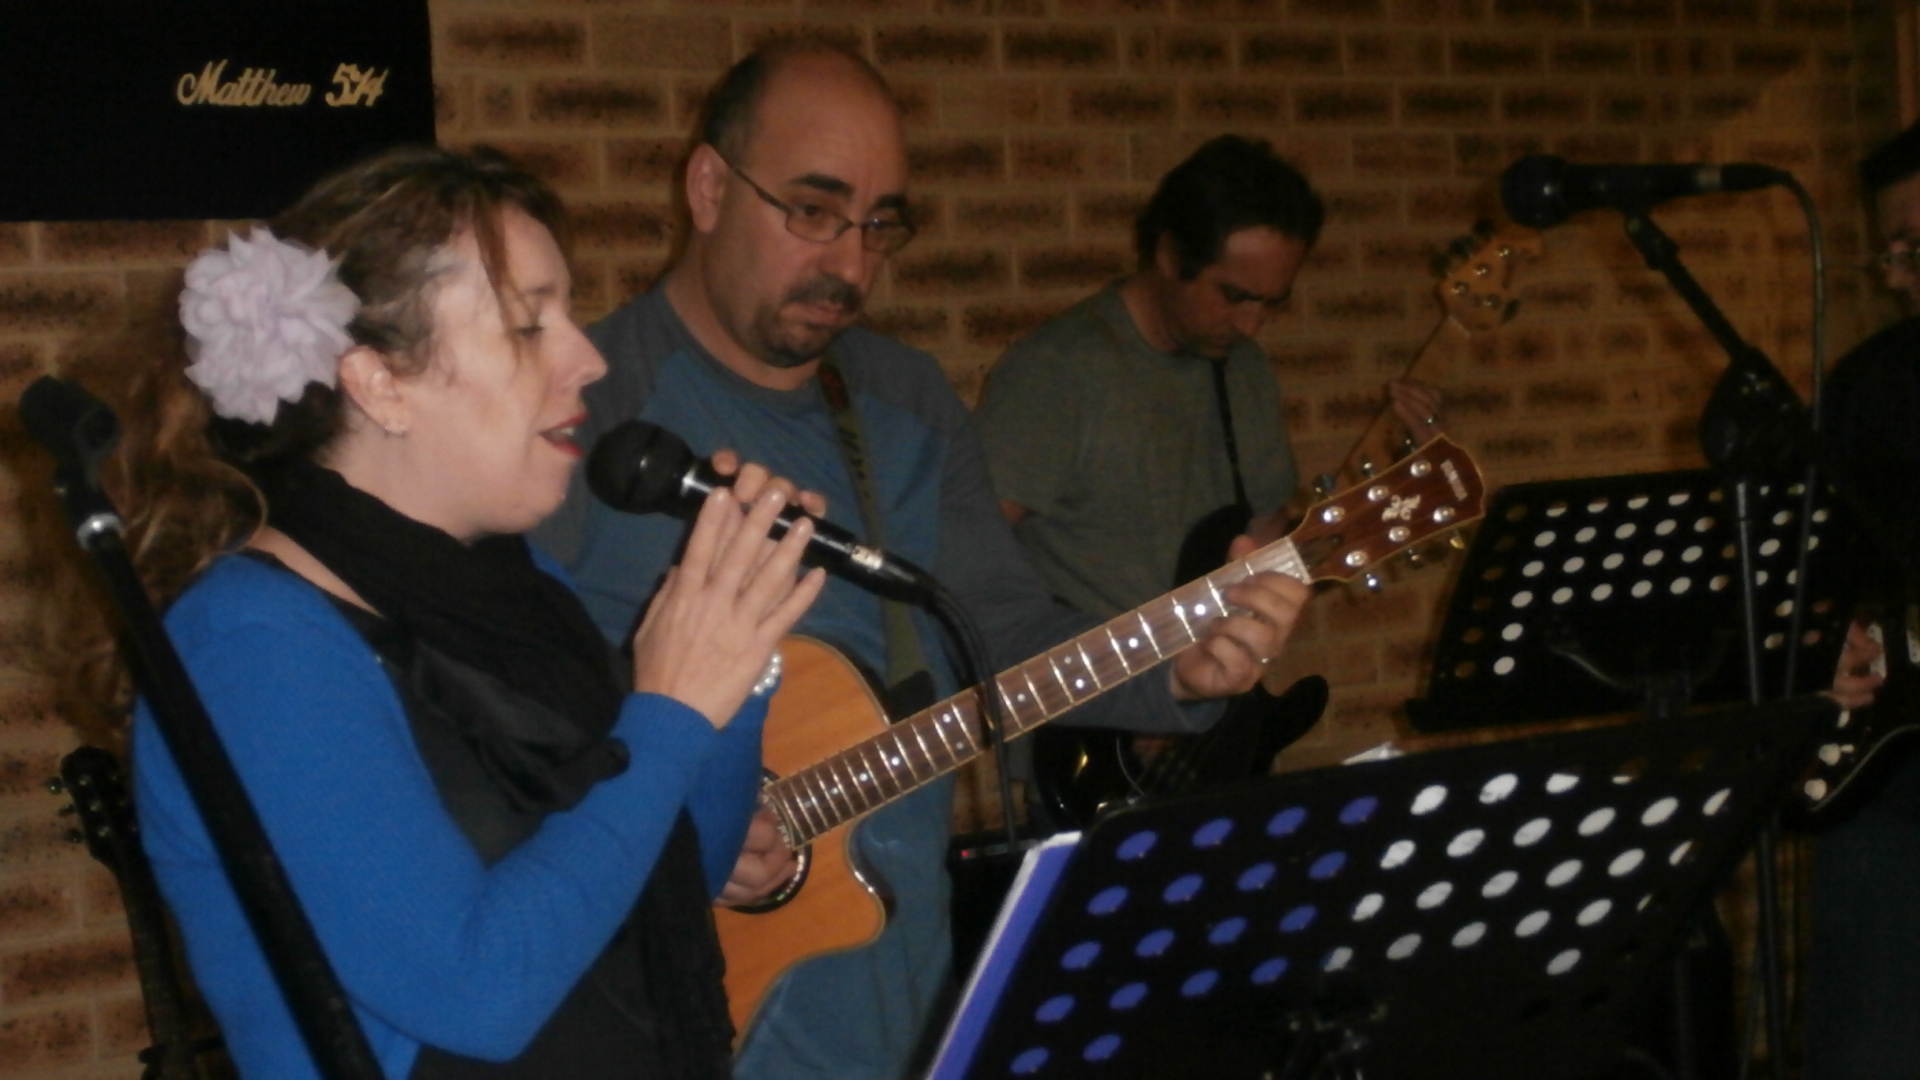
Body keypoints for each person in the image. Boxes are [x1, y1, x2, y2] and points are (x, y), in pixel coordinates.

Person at [533, 43, 1310, 1079]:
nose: (851, 268)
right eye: (814, 211)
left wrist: (1181, 669)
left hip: (902, 999)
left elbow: (1003, 635)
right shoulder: (588, 409)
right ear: (709, 187)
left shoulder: (905, 401)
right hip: (678, 1010)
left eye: (880, 225)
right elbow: (494, 716)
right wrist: (676, 828)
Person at [28, 145, 823, 1080]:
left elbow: (675, 870)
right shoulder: (251, 645)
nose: (587, 358)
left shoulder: (519, 589)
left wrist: (737, 659)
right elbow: (479, 994)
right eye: (529, 324)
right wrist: (671, 711)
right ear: (378, 383)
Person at [976, 134, 1442, 622]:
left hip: (1204, 663)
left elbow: (1263, 548)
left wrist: (1393, 504)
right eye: (1235, 295)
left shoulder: (1245, 369)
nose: (1252, 324)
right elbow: (964, 549)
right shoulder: (1058, 371)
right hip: (1093, 665)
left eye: (1272, 302)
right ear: (1171, 255)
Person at [1802, 119, 1920, 1080]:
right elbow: (1815, 581)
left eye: (1918, 248)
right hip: (1898, 771)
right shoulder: (1872, 388)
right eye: (1895, 251)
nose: (1903, 277)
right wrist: (1824, 646)